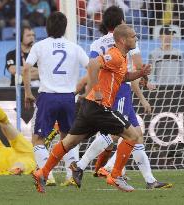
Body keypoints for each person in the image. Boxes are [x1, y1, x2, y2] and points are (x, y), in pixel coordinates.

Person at [31, 24, 151, 193]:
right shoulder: (114, 55)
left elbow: (123, 77)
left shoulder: (122, 57)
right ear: (123, 40)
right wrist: (98, 89)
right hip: (100, 106)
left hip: (89, 106)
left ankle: (42, 172)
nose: (136, 38)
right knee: (133, 136)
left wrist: (140, 73)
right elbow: (93, 64)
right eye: (133, 36)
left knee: (69, 142)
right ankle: (115, 176)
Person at [71, 6, 172, 190]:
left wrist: (89, 89)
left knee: (135, 135)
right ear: (121, 22)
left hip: (107, 90)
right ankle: (86, 166)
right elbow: (137, 66)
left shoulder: (97, 42)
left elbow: (92, 66)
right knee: (118, 134)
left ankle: (149, 180)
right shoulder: (127, 39)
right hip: (120, 90)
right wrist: (144, 78)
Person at [23, 12, 89, 187]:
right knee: (68, 138)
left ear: (47, 27)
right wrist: (86, 90)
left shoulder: (40, 46)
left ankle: (47, 174)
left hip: (48, 96)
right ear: (65, 28)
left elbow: (26, 68)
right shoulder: (74, 47)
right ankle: (71, 173)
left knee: (38, 138)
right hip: (68, 98)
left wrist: (28, 93)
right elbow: (92, 67)